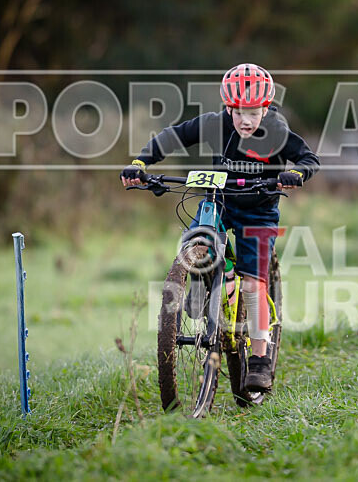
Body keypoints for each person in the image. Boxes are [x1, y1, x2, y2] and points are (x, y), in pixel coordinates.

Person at [121, 63, 320, 390]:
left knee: (254, 286)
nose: (245, 120)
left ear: (265, 109)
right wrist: (142, 163)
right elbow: (173, 137)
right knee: (194, 238)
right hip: (221, 202)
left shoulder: (277, 131)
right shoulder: (214, 124)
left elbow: (308, 159)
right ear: (228, 107)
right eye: (238, 112)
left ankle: (259, 359)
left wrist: (296, 174)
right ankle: (200, 277)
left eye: (253, 113)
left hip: (259, 211)